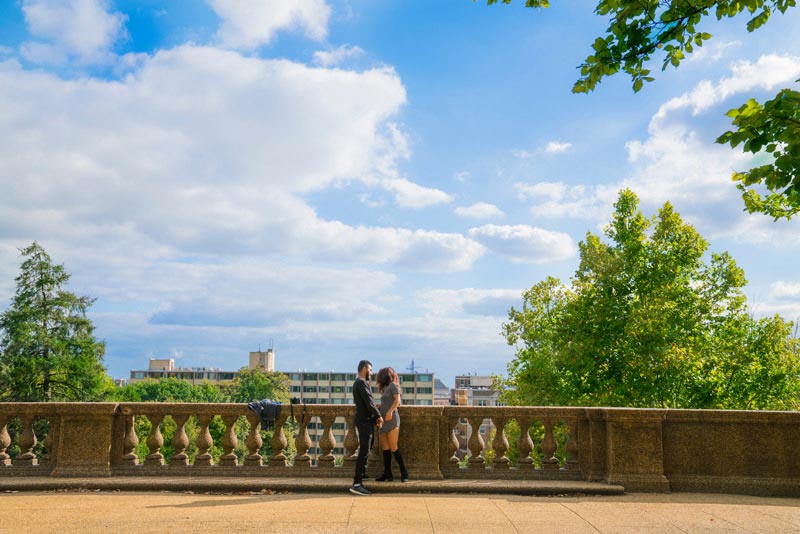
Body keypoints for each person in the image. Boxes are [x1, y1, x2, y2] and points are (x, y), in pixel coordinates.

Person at [350, 359, 383, 496]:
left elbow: (368, 403)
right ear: (364, 369)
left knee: (367, 448)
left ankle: (362, 473)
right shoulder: (361, 383)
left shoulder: (359, 383)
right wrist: (379, 416)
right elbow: (369, 403)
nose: (372, 372)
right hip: (364, 422)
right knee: (363, 451)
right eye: (370, 369)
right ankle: (357, 484)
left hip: (364, 421)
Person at [375, 367, 409, 482]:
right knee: (385, 448)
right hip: (383, 420)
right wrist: (381, 406)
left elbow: (397, 401)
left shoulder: (393, 386)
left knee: (394, 447)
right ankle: (387, 474)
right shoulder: (386, 388)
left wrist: (389, 412)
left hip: (392, 419)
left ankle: (404, 473)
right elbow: (388, 401)